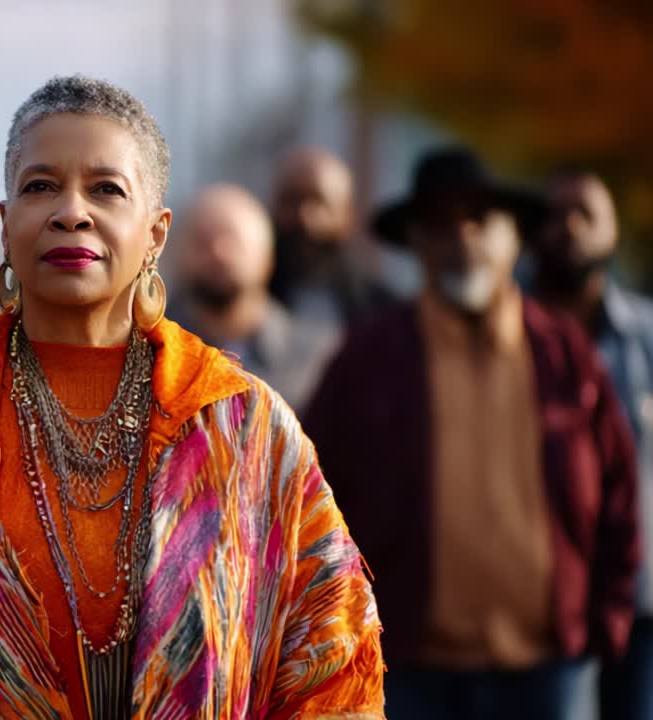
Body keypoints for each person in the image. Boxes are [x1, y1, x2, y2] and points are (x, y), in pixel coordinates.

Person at [0, 75, 383, 719]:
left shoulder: (243, 424)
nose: (71, 211)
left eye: (106, 189)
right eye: (41, 187)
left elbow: (330, 661)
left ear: (155, 232)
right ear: (8, 225)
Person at [304, 147, 639, 720]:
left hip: (550, 668)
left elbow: (619, 494)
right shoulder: (365, 359)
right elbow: (310, 502)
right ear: (414, 243)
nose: (462, 238)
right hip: (407, 668)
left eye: (480, 221)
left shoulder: (566, 355)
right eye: (439, 225)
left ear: (514, 238)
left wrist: (607, 620)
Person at [533, 171, 653, 720]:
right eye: (556, 215)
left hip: (643, 602)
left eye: (587, 214)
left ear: (613, 232)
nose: (570, 228)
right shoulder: (505, 342)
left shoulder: (644, 339)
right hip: (539, 604)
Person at [167, 183, 338, 410]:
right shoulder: (151, 358)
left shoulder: (318, 360)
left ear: (267, 254)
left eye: (233, 239)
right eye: (203, 241)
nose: (219, 252)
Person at [269, 146, 392, 328]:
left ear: (347, 215)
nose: (304, 217)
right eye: (292, 200)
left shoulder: (378, 309)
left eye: (319, 202)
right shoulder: (245, 299)